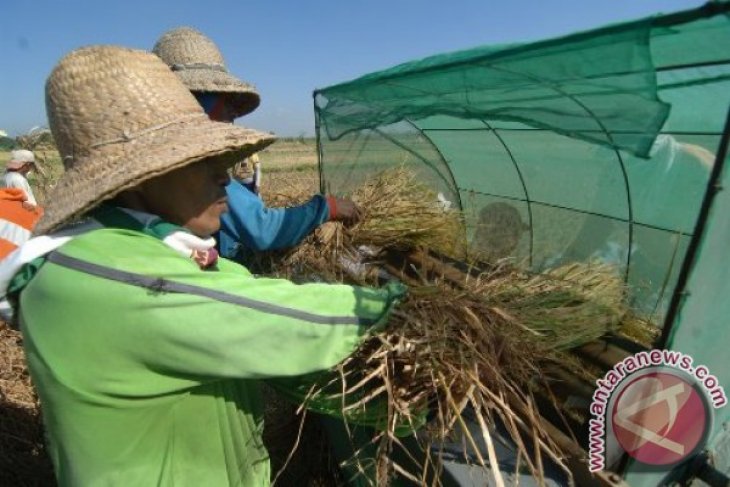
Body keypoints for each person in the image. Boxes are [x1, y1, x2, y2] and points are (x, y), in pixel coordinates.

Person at [0, 45, 404, 486]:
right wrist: (397, 304)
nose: (225, 176)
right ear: (139, 177)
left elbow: (234, 284)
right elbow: (291, 320)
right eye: (200, 160)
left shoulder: (130, 248)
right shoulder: (114, 278)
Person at [152, 27, 361, 261]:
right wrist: (326, 208)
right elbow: (263, 229)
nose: (233, 112)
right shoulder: (192, 173)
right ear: (196, 103)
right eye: (224, 100)